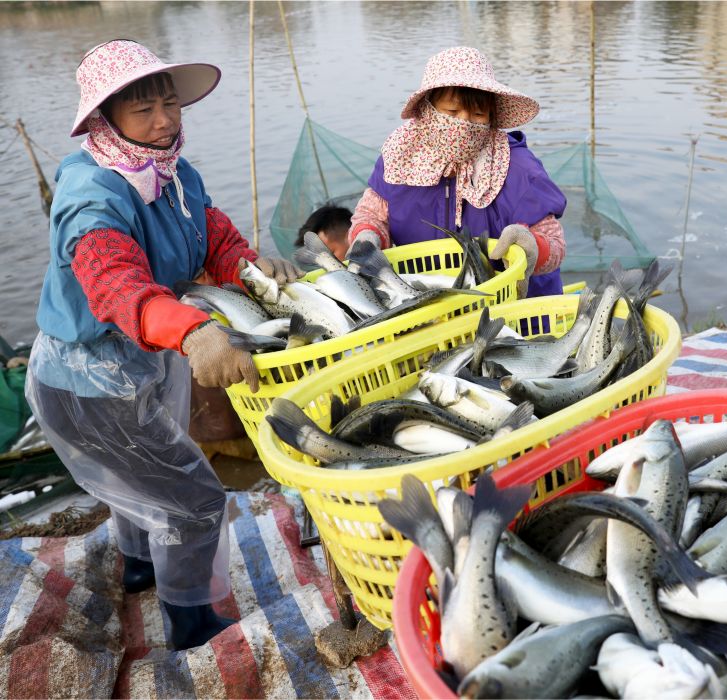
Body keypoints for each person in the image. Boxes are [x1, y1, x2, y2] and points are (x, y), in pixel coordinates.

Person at [23, 40, 299, 650]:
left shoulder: (175, 173)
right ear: (105, 121)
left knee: (145, 478)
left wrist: (254, 272)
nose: (164, 120)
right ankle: (190, 619)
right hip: (87, 381)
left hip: (150, 358)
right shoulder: (92, 195)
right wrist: (196, 331)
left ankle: (144, 566)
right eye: (144, 110)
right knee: (193, 498)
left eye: (170, 104)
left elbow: (215, 239)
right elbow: (115, 284)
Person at [350, 46, 567, 298]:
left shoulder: (518, 167)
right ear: (427, 109)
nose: (464, 124)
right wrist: (368, 235)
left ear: (491, 117)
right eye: (451, 112)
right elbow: (372, 215)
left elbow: (554, 243)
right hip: (427, 301)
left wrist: (533, 246)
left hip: (515, 307)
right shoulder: (400, 156)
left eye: (477, 114)